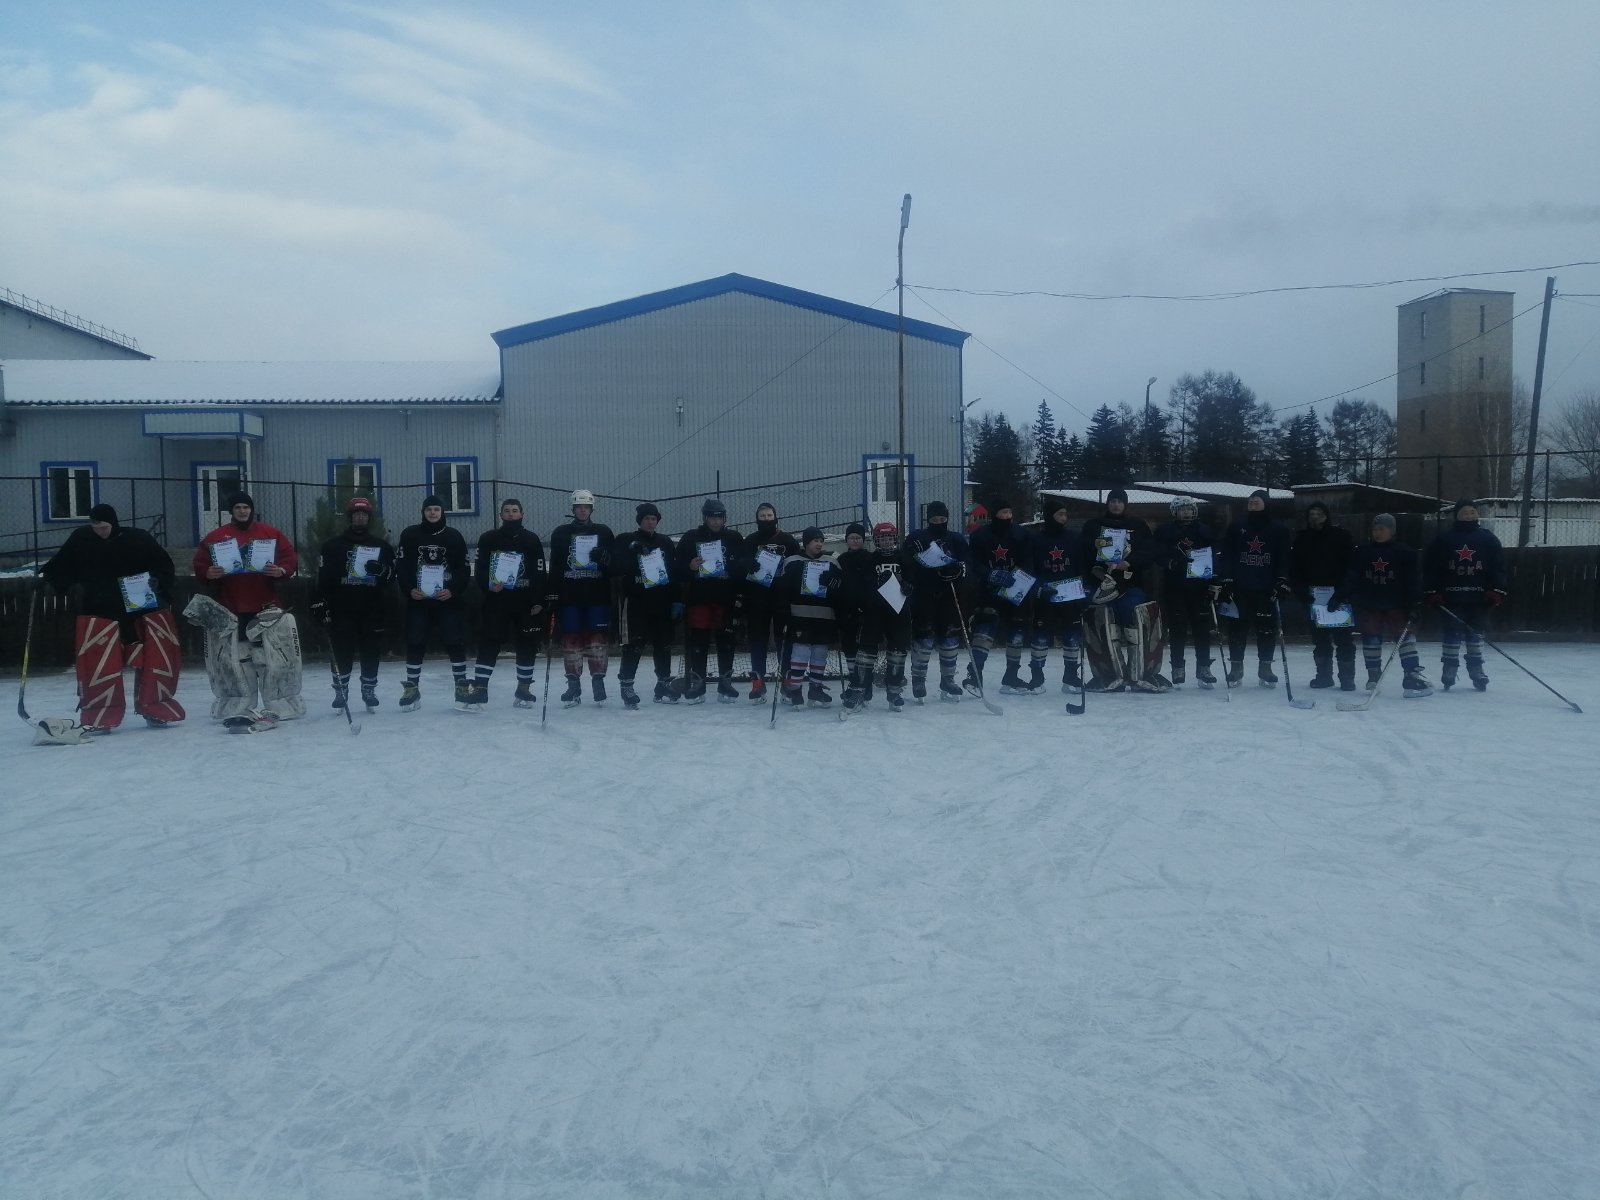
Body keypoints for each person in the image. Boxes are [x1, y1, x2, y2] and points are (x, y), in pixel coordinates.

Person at [39, 503, 186, 731]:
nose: (100, 531)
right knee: (99, 661)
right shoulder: (81, 538)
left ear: (113, 523)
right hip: (99, 608)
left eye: (104, 527)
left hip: (138, 608)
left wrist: (157, 580)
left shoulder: (138, 539)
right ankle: (100, 713)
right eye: (95, 527)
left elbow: (163, 564)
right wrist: (46, 579)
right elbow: (62, 564)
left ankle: (155, 708)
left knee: (151, 658)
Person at [189, 491, 303, 722]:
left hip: (265, 606)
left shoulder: (270, 534)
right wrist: (207, 572)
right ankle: (238, 704)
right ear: (231, 511)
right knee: (235, 659)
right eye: (238, 507)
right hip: (230, 607)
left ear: (251, 509)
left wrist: (281, 570)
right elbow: (201, 564)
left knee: (272, 657)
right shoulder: (217, 537)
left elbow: (289, 558)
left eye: (246, 507)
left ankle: (280, 703)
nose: (243, 511)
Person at [1332, 513, 1431, 697]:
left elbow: (1413, 581)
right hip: (1369, 604)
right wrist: (1339, 596)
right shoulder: (1362, 551)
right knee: (1371, 638)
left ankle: (1411, 676)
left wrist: (1415, 604)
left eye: (1382, 529)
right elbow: (1352, 576)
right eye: (1375, 529)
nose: (1377, 533)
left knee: (1405, 639)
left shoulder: (1405, 552)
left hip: (1397, 605)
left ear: (1392, 531)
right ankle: (1373, 676)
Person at [313, 497, 395, 711]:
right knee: (342, 650)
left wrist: (382, 571)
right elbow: (323, 579)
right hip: (342, 607)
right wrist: (320, 603)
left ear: (369, 518)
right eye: (356, 514)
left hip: (371, 607)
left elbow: (391, 579)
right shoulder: (332, 546)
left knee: (371, 650)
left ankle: (368, 689)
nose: (360, 517)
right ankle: (341, 690)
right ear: (350, 517)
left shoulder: (381, 546)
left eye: (364, 515)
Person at [1081, 488, 1166, 691]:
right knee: (1106, 627)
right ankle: (1110, 675)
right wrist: (1097, 565)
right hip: (1102, 587)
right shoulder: (1093, 526)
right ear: (1107, 504)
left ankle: (1141, 674)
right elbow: (1083, 552)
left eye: (1120, 501)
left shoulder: (1138, 526)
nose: (1116, 504)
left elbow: (1149, 551)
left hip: (1131, 585)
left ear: (1125, 504)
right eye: (1113, 501)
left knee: (1137, 626)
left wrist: (1129, 563)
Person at [469, 498, 548, 710]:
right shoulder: (489, 538)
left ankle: (523, 688)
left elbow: (539, 572)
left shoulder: (531, 540)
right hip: (497, 600)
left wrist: (538, 600)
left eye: (515, 511)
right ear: (501, 515)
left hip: (524, 602)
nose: (511, 514)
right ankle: (480, 690)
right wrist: (488, 585)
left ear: (522, 514)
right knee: (489, 642)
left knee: (527, 644)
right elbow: (480, 568)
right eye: (507, 511)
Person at [393, 495, 470, 711]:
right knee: (415, 642)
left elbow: (463, 569)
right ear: (423, 512)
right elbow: (402, 567)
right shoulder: (410, 535)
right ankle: (412, 689)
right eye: (429, 509)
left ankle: (461, 688)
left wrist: (452, 590)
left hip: (447, 600)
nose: (433, 513)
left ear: (442, 512)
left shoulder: (454, 536)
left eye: (437, 509)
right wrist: (409, 590)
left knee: (455, 642)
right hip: (419, 601)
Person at [1423, 499, 1507, 691]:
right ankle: (1449, 668)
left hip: (1479, 598)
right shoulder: (1444, 539)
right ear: (1457, 515)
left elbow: (1498, 568)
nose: (1468, 515)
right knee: (1452, 632)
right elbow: (1431, 568)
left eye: (1472, 512)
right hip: (1451, 598)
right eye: (1464, 513)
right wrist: (1432, 591)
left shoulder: (1488, 539)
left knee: (1476, 634)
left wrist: (1496, 590)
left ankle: (1476, 669)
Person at [546, 488, 616, 706]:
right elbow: (556, 565)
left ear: (591, 509)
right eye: (579, 507)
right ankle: (573, 684)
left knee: (597, 639)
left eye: (586, 507)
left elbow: (614, 566)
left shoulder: (603, 532)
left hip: (597, 596)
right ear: (573, 509)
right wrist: (552, 593)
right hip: (570, 596)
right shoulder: (560, 533)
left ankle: (598, 681)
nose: (583, 510)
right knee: (572, 640)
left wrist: (605, 559)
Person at [1217, 488, 1293, 688]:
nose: (1253, 503)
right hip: (1241, 587)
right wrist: (1226, 580)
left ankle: (1265, 667)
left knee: (1267, 629)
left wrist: (1282, 580)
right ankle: (1236, 668)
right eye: (1250, 500)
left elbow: (1284, 557)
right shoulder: (1237, 526)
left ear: (1266, 503)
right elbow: (1227, 555)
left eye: (1257, 500)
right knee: (1237, 628)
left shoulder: (1278, 529)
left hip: (1266, 588)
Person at [675, 497, 748, 702]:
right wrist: (689, 566)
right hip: (699, 599)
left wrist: (734, 568)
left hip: (726, 599)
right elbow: (676, 565)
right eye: (712, 518)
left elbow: (744, 567)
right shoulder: (691, 537)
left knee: (727, 641)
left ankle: (725, 684)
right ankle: (698, 685)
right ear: (705, 518)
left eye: (719, 518)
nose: (716, 522)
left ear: (724, 519)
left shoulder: (734, 538)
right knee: (699, 641)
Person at [899, 500, 969, 702]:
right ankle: (919, 680)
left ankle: (948, 680)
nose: (939, 522)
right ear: (928, 519)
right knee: (924, 639)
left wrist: (959, 570)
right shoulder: (917, 537)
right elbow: (904, 561)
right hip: (924, 595)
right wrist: (910, 552)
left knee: (949, 639)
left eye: (943, 519)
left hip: (949, 594)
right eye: (934, 519)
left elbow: (968, 562)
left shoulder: (955, 539)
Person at [613, 502, 682, 708]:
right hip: (636, 602)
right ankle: (627, 685)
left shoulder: (665, 542)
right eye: (646, 519)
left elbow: (673, 571)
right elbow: (615, 566)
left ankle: (662, 683)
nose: (650, 522)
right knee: (634, 644)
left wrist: (677, 598)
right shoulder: (627, 540)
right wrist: (630, 552)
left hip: (661, 601)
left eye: (653, 519)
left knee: (663, 644)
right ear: (640, 521)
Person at [965, 498, 1036, 695]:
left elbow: (1028, 562)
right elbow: (973, 563)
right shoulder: (980, 535)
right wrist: (990, 574)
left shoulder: (1021, 534)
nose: (1007, 516)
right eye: (1003, 512)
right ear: (994, 514)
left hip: (1015, 591)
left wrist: (1020, 578)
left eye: (1009, 512)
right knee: (985, 630)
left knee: (1017, 632)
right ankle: (974, 675)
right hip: (989, 592)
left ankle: (1011, 676)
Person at [841, 521, 914, 711]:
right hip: (874, 612)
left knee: (897, 652)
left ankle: (894, 691)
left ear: (895, 539)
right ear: (876, 540)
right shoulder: (870, 559)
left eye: (890, 538)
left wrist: (908, 586)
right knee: (866, 651)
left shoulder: (904, 558)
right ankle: (860, 689)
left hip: (899, 612)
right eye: (882, 538)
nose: (886, 542)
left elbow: (912, 579)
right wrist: (875, 583)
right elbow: (865, 581)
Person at [1290, 501, 1357, 691]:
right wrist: (1302, 593)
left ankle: (1347, 679)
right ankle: (1324, 676)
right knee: (1320, 639)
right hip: (1314, 598)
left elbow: (1352, 568)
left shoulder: (1341, 537)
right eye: (1311, 514)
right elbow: (1295, 571)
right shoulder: (1301, 540)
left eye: (1319, 513)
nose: (1315, 517)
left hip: (1339, 597)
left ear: (1326, 516)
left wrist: (1342, 594)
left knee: (1344, 639)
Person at [1152, 495, 1218, 687]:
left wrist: (1215, 578)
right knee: (1178, 627)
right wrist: (1172, 563)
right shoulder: (1165, 531)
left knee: (1202, 628)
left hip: (1200, 587)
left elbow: (1214, 555)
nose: (1186, 512)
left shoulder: (1204, 530)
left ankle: (1204, 667)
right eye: (1182, 509)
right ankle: (1178, 666)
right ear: (1174, 512)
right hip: (1175, 587)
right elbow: (1157, 554)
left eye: (1189, 508)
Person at [775, 527, 843, 706]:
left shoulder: (832, 562)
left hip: (824, 616)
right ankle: (795, 689)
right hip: (799, 616)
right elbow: (782, 590)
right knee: (800, 652)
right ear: (805, 544)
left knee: (820, 653)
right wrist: (784, 612)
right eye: (815, 540)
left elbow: (840, 589)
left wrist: (833, 583)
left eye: (821, 540)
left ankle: (816, 689)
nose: (819, 543)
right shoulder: (792, 562)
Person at [1029, 498, 1090, 694]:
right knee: (1040, 635)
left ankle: (1071, 676)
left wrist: (1083, 589)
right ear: (1049, 516)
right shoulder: (1036, 540)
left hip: (1070, 595)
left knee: (1072, 635)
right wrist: (1039, 588)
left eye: (1065, 514)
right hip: (1046, 595)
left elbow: (1082, 565)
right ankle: (1037, 677)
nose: (1063, 518)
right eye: (1059, 514)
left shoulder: (1074, 538)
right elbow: (1030, 567)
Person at [739, 502, 800, 701]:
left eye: (769, 515)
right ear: (757, 519)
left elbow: (798, 564)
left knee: (785, 637)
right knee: (758, 637)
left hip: (782, 596)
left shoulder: (787, 539)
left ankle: (787, 679)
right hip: (758, 596)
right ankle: (758, 681)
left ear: (776, 517)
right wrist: (747, 564)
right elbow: (740, 563)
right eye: (762, 516)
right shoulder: (750, 540)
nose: (766, 519)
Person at [833, 521, 876, 703]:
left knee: (863, 650)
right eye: (851, 538)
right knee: (849, 648)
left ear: (863, 540)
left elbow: (872, 583)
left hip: (864, 611)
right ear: (846, 540)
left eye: (858, 538)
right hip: (846, 610)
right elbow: (838, 584)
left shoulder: (869, 557)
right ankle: (854, 682)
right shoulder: (841, 559)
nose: (855, 541)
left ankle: (865, 685)